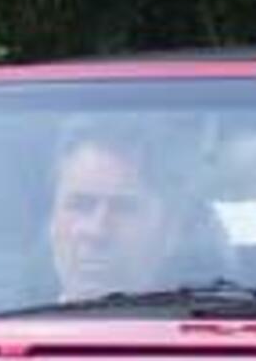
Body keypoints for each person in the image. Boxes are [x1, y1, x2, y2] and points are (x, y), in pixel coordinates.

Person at [47, 122, 189, 300]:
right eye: (80, 205)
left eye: (123, 209)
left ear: (169, 231)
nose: (96, 231)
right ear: (51, 221)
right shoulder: (7, 322)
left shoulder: (220, 323)